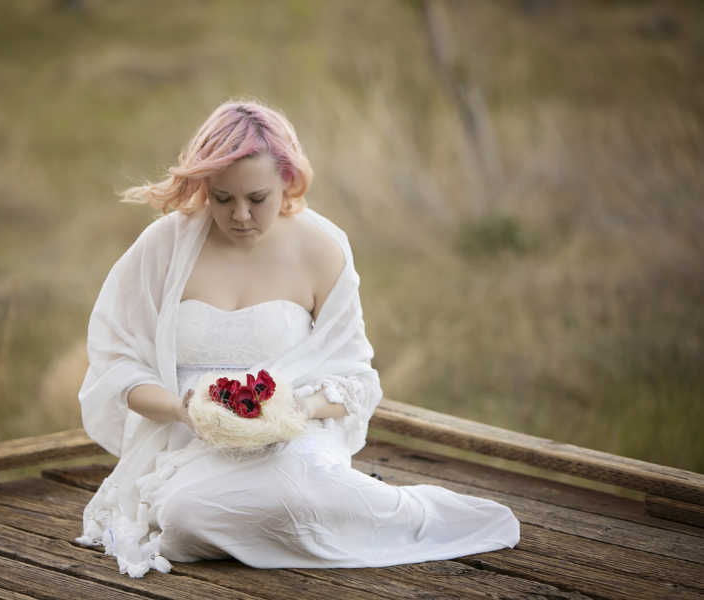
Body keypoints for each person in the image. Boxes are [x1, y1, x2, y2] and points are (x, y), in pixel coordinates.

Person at [75, 98, 520, 578]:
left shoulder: (322, 248)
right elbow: (117, 365)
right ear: (205, 187)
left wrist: (298, 410)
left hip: (292, 436)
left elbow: (354, 377)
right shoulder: (164, 246)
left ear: (288, 180)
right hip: (188, 441)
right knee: (183, 518)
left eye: (257, 198)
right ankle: (295, 516)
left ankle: (400, 513)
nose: (240, 215)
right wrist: (182, 410)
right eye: (223, 198)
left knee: (299, 491)